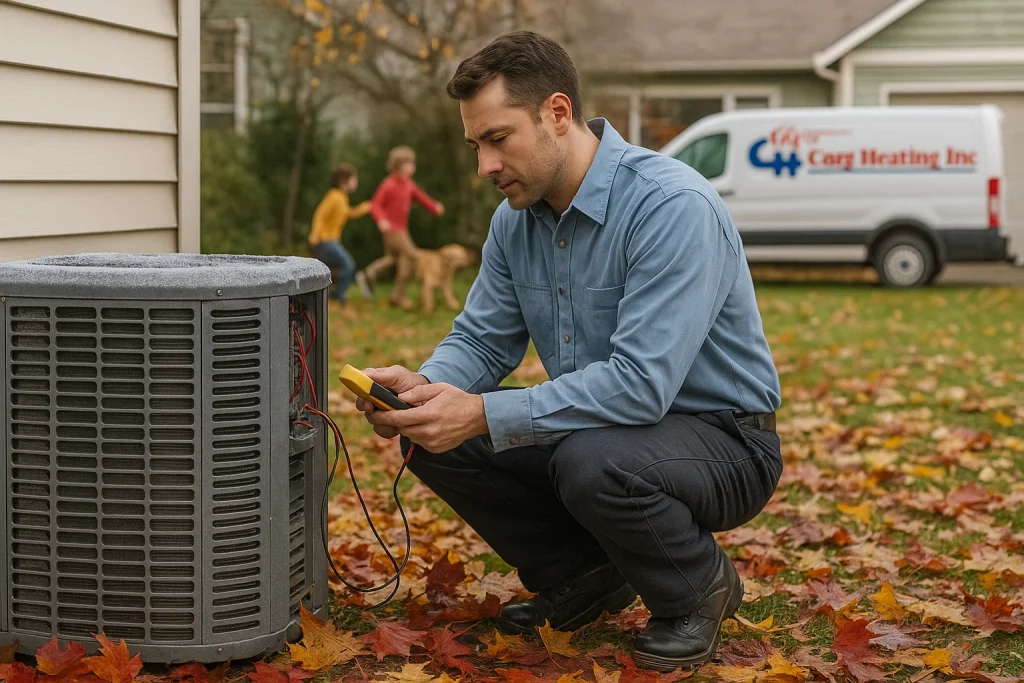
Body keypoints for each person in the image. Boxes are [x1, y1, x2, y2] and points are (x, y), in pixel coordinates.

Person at [356, 31, 782, 672]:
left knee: (588, 459)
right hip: (611, 430)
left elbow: (641, 383)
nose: (484, 167)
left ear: (557, 113)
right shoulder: (514, 221)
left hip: (724, 440)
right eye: (476, 146)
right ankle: (584, 576)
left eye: (498, 140)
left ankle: (698, 587)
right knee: (436, 436)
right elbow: (482, 336)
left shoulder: (670, 206)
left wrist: (480, 414)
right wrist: (424, 390)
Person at [364, 146, 446, 308]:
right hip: (392, 229)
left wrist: (435, 207)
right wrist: (381, 220)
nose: (412, 167)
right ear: (398, 165)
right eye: (409, 164)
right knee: (413, 256)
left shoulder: (409, 184)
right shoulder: (389, 184)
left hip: (401, 229)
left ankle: (370, 273)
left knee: (394, 259)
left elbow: (422, 198)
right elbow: (375, 204)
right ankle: (398, 295)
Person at [308, 163, 374, 303]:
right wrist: (314, 235)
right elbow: (320, 215)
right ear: (344, 180)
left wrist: (364, 208)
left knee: (323, 268)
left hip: (332, 241)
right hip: (325, 240)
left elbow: (347, 213)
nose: (356, 182)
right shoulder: (334, 196)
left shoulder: (342, 197)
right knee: (348, 265)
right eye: (354, 179)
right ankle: (338, 295)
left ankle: (329, 293)